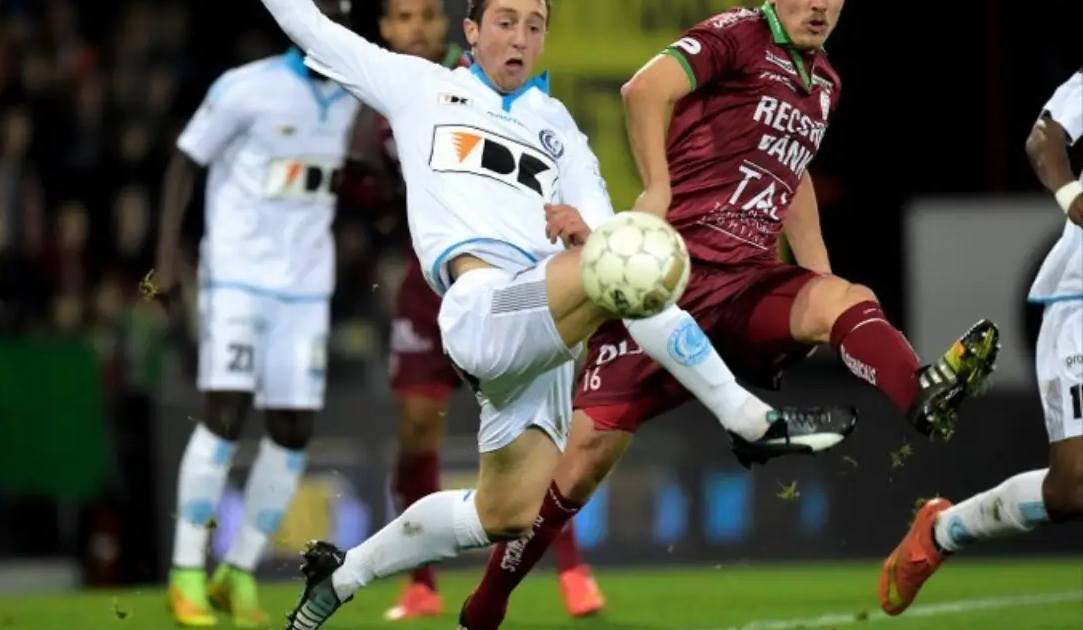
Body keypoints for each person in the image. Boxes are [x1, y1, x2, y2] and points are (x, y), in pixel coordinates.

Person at [256, 0, 855, 627]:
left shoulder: (559, 127)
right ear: (471, 31)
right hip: (483, 306)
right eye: (505, 22)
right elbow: (312, 29)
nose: (519, 38)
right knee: (631, 265)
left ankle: (343, 573)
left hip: (544, 344)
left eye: (534, 26)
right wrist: (599, 246)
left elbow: (606, 231)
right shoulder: (418, 86)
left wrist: (585, 230)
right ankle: (749, 419)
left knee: (504, 513)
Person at [457, 2, 1003, 627]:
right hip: (668, 283)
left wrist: (817, 273)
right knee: (580, 465)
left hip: (746, 284)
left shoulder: (825, 81)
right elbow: (643, 91)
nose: (819, 5)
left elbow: (793, 174)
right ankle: (488, 600)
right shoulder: (739, 33)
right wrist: (657, 187)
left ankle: (920, 393)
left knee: (847, 298)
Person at [352, 0, 603, 620]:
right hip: (429, 281)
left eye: (424, 15)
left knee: (538, 441)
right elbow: (361, 184)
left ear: (452, 29)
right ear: (384, 29)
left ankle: (570, 566)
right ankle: (420, 582)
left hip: (513, 281)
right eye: (402, 17)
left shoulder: (489, 95)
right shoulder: (387, 95)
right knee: (417, 426)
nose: (415, 27)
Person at [150, 2, 360, 626]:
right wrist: (167, 258)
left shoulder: (355, 95)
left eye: (339, 11)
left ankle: (236, 572)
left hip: (306, 289)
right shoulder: (247, 87)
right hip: (238, 279)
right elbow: (185, 161)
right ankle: (185, 571)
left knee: (293, 429)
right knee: (225, 414)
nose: (328, 18)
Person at [877, 67, 1083, 616]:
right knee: (1073, 489)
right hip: (1081, 300)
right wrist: (1071, 195)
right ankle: (941, 532)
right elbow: (1044, 139)